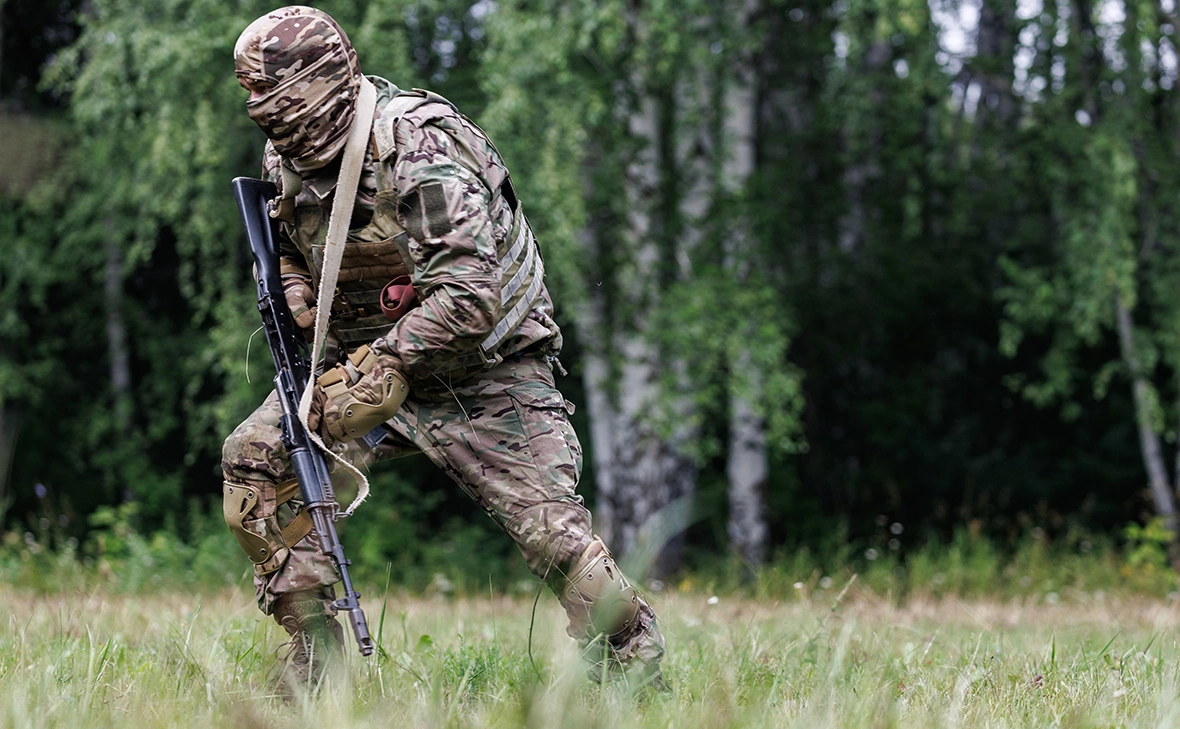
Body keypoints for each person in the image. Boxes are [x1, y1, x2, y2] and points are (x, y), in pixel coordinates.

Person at [223, 6, 665, 692]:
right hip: (361, 367)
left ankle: (630, 665)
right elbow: (286, 243)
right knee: (255, 465)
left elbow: (471, 295)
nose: (259, 111)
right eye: (252, 95)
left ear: (312, 87)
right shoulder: (288, 159)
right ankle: (315, 658)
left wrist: (384, 367)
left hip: (485, 370)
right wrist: (296, 289)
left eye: (268, 94)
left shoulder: (417, 147)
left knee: (553, 537)